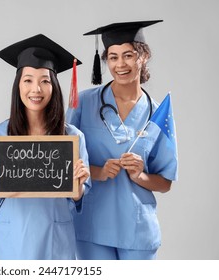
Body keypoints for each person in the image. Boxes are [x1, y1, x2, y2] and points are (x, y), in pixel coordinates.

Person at [66, 20, 178, 260]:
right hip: (91, 226)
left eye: (128, 55)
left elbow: (165, 182)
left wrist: (140, 176)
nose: (120, 64)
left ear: (143, 56)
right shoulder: (83, 104)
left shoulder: (157, 115)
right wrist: (98, 172)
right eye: (113, 57)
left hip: (137, 229)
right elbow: (62, 163)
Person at [0, 34, 91, 260]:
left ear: (54, 86)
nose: (36, 89)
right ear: (18, 85)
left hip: (54, 236)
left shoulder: (72, 137)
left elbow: (80, 193)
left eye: (45, 81)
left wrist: (79, 188)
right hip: (12, 238)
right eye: (28, 80)